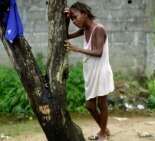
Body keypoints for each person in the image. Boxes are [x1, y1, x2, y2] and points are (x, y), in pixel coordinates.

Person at [64, 1, 114, 141]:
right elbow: (67, 35)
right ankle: (104, 129)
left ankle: (103, 132)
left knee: (101, 104)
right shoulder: (85, 29)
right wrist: (66, 20)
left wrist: (76, 49)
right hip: (91, 72)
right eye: (72, 18)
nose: (74, 21)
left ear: (85, 13)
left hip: (101, 71)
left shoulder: (99, 29)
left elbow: (98, 52)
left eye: (75, 17)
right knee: (90, 105)